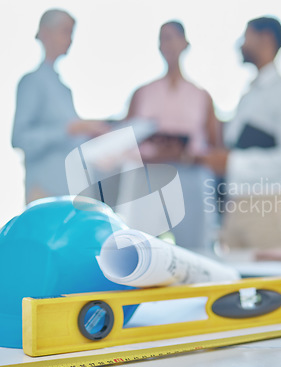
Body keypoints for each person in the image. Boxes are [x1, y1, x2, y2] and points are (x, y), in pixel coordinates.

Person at [200, 17, 281, 255]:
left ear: (266, 39)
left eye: (247, 36)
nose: (241, 44)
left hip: (270, 206)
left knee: (268, 286)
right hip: (240, 204)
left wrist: (232, 163)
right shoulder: (250, 94)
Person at [124, 21, 220, 250]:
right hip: (149, 177)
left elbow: (215, 146)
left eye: (172, 37)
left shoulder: (201, 96)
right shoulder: (142, 93)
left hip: (189, 178)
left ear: (185, 43)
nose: (167, 43)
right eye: (163, 38)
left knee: (195, 248)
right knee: (142, 249)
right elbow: (126, 139)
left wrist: (187, 154)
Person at [12, 9, 108, 204]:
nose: (70, 40)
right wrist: (70, 129)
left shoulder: (63, 89)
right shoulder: (32, 82)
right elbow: (20, 138)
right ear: (46, 33)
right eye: (65, 32)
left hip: (72, 195)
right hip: (44, 193)